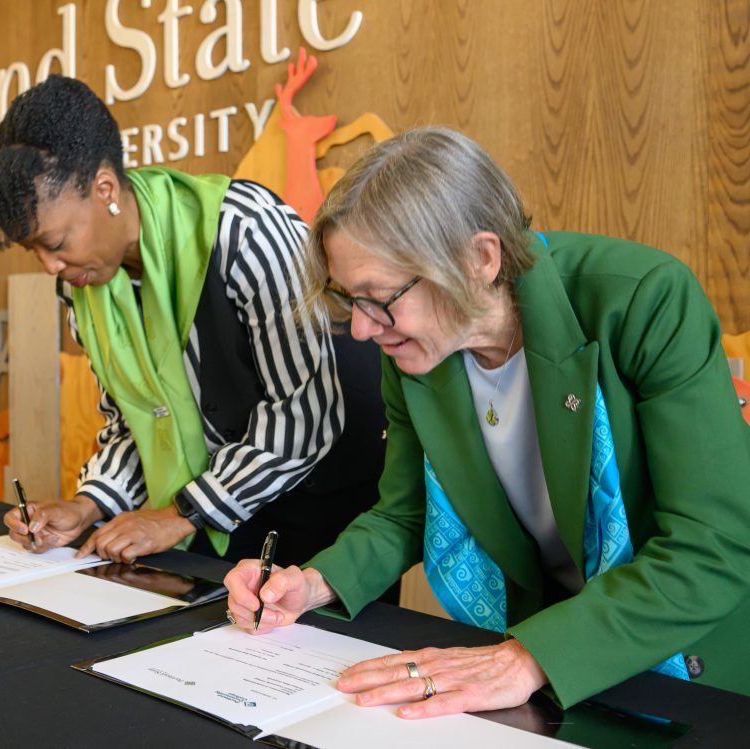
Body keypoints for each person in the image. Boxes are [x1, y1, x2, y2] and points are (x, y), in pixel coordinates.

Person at [224, 127, 750, 717]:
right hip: (549, 658)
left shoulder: (644, 301)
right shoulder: (416, 351)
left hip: (692, 663)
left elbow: (714, 548)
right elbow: (405, 511)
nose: (364, 330)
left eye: (378, 298)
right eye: (351, 300)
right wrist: (312, 583)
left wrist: (528, 658)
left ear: (479, 259)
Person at [0, 75, 387, 568]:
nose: (48, 266)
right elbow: (134, 423)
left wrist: (182, 514)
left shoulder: (243, 231)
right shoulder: (80, 286)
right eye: (32, 249)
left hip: (325, 517)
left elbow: (306, 412)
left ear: (104, 188)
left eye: (55, 243)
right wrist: (88, 504)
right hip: (210, 517)